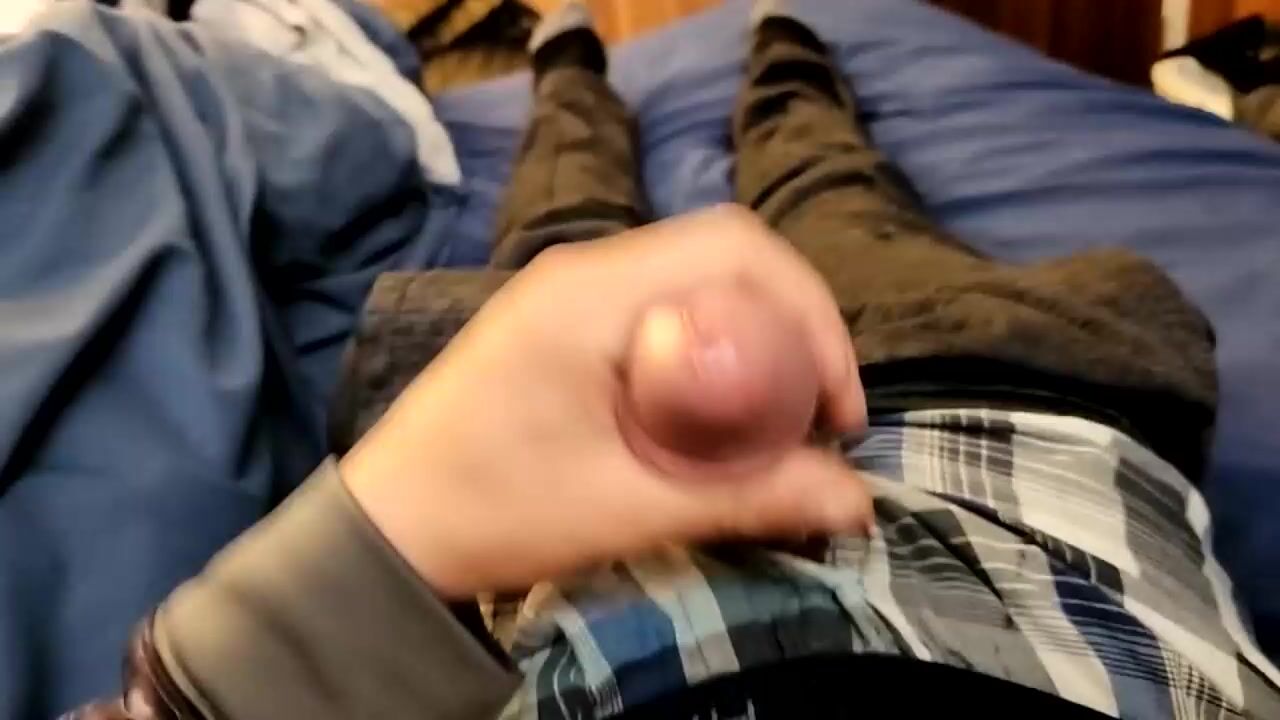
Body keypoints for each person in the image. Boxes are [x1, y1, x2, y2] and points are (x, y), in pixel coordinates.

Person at [70, 2, 1280, 718]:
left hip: (533, 549)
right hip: (979, 398)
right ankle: (781, 61)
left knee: (562, 222)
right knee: (832, 190)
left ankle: (582, 75)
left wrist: (352, 564)